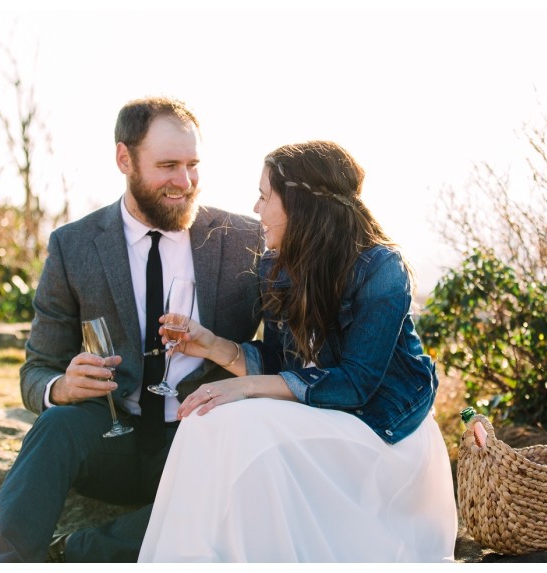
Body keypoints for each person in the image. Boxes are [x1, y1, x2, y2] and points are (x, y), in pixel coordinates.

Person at [137, 140, 458, 562]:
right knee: (205, 420)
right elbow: (278, 362)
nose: (255, 208)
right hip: (317, 415)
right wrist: (211, 345)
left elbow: (356, 385)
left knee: (243, 426)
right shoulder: (277, 267)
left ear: (300, 204)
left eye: (264, 196)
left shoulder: (381, 268)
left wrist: (248, 388)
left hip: (381, 431)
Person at [0, 96, 263, 562]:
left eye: (193, 165)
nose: (185, 182)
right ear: (123, 158)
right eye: (167, 165)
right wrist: (61, 387)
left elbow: (288, 349)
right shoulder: (73, 247)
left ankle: (76, 552)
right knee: (54, 428)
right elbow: (36, 372)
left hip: (202, 447)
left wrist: (223, 353)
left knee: (247, 486)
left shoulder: (246, 240)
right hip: (111, 440)